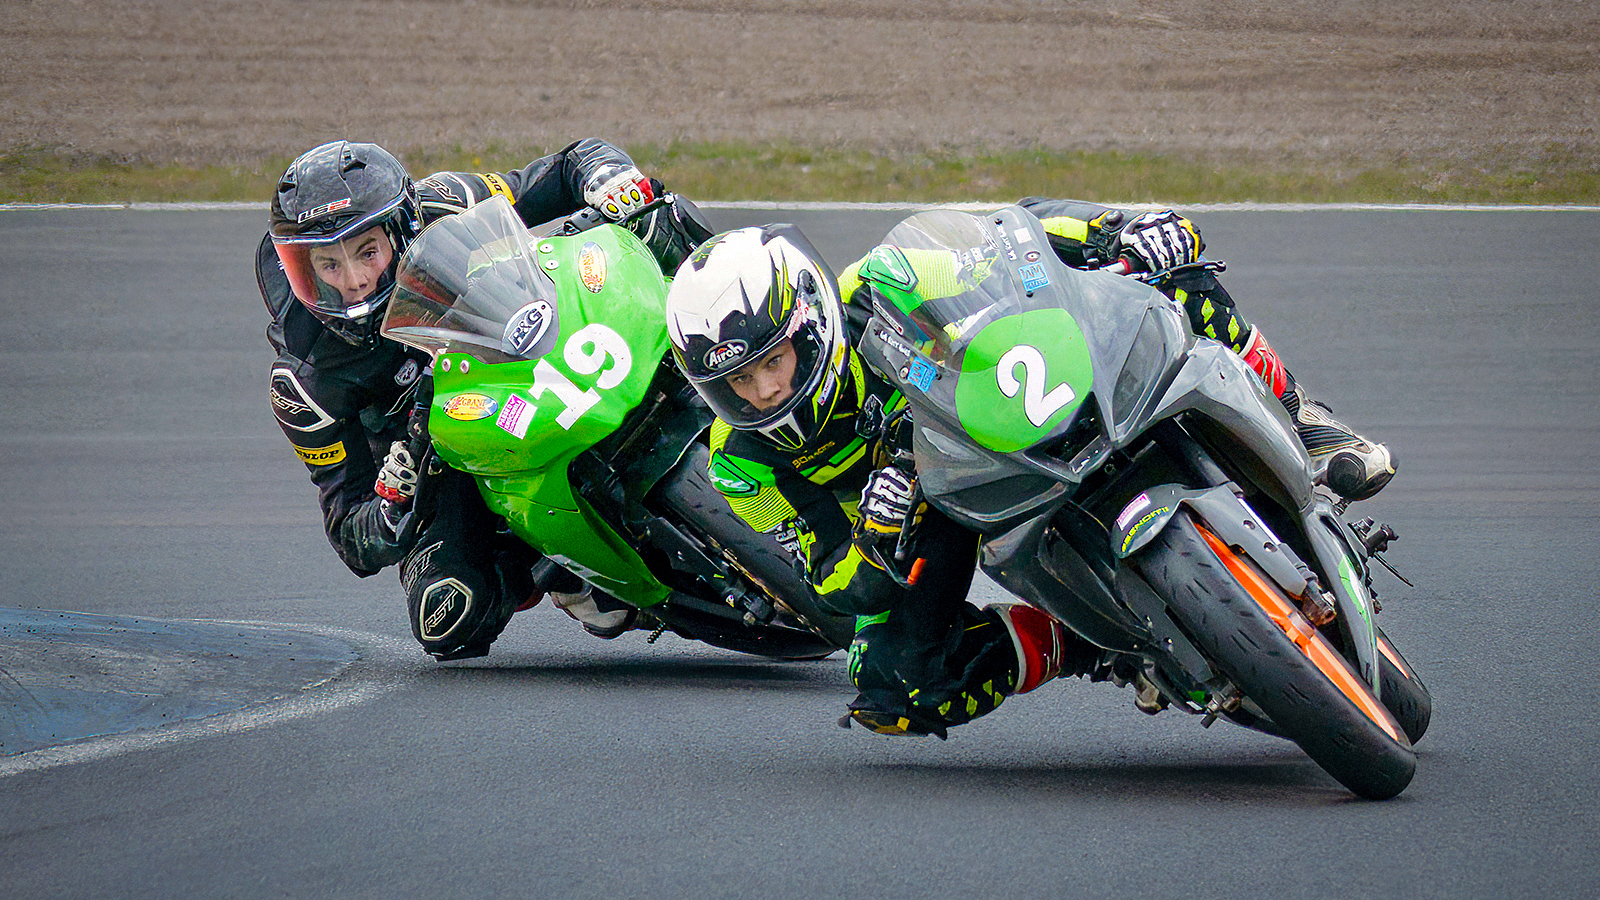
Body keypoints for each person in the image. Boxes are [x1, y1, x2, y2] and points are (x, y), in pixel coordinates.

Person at [661, 201, 1397, 738]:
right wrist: (875, 538)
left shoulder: (879, 283)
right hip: (932, 507)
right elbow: (826, 586)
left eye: (774, 362)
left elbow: (1010, 239)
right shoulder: (738, 468)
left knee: (1172, 265)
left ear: (810, 321)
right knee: (891, 683)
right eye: (738, 383)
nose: (764, 392)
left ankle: (1304, 418)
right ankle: (1093, 644)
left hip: (998, 399)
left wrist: (1115, 230)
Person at [259, 138, 712, 660]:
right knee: (448, 614)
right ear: (302, 269)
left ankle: (744, 354)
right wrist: (391, 501)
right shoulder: (303, 382)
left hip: (523, 354)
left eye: (367, 252)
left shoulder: (440, 204)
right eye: (328, 265)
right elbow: (349, 535)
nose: (356, 281)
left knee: (660, 217)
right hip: (447, 466)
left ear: (399, 230)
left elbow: (565, 168)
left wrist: (608, 180)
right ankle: (569, 572)